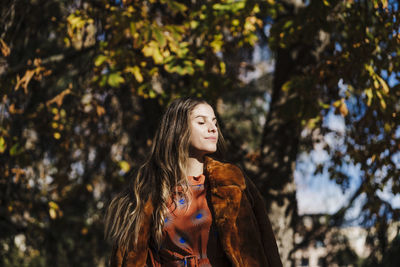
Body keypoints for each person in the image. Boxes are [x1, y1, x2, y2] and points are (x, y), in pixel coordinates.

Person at [104, 97, 282, 267]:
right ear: (179, 129)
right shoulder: (148, 188)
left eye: (214, 122)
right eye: (202, 122)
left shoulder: (232, 181)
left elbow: (265, 245)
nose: (213, 128)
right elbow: (129, 257)